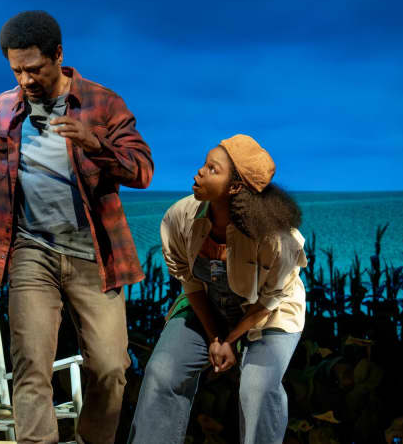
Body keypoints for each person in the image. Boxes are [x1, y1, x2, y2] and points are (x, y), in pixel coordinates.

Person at [0, 10, 153, 444]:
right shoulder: (2, 109)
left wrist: (96, 144)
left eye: (34, 69)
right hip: (29, 251)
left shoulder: (102, 103)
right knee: (30, 365)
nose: (25, 79)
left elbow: (142, 171)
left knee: (112, 368)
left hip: (94, 253)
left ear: (58, 55)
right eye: (16, 70)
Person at [128, 134, 306, 444]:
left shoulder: (278, 238)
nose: (199, 171)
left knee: (257, 387)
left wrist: (231, 341)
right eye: (204, 164)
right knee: (161, 372)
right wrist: (214, 337)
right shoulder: (179, 217)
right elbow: (191, 282)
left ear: (235, 187)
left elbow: (269, 299)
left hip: (267, 314)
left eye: (212, 169)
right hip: (207, 305)